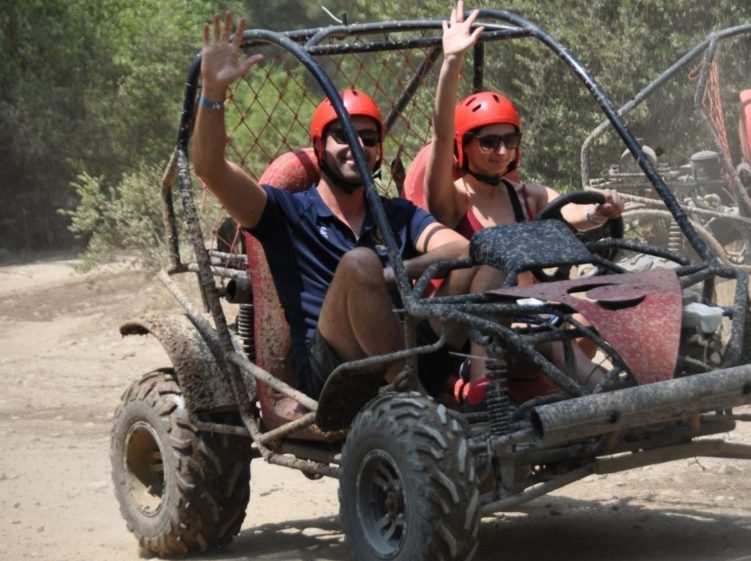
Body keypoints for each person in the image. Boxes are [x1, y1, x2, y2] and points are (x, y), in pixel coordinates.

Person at [192, 12, 474, 424]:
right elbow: (210, 168)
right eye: (342, 135)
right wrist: (213, 92)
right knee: (359, 262)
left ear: (379, 150)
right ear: (319, 145)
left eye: (368, 137)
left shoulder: (393, 213)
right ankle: (416, 400)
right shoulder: (285, 212)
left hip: (406, 342)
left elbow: (459, 248)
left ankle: (489, 379)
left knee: (481, 257)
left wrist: (393, 274)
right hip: (335, 373)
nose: (356, 146)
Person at [424, 1, 625, 390]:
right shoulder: (452, 201)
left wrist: (599, 212)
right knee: (546, 332)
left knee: (601, 305)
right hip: (477, 336)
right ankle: (609, 394)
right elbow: (440, 135)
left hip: (538, 316)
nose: (501, 151)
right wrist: (451, 64)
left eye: (509, 140)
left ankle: (653, 379)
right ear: (464, 147)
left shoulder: (526, 196)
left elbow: (572, 213)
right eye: (488, 142)